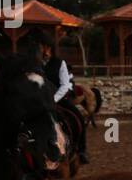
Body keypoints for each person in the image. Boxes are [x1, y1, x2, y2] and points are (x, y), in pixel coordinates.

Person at [29, 30, 89, 164]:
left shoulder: (59, 63)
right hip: (38, 102)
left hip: (58, 100)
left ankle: (82, 150)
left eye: (38, 45)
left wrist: (53, 100)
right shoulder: (33, 63)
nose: (35, 49)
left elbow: (65, 85)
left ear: (46, 46)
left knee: (77, 116)